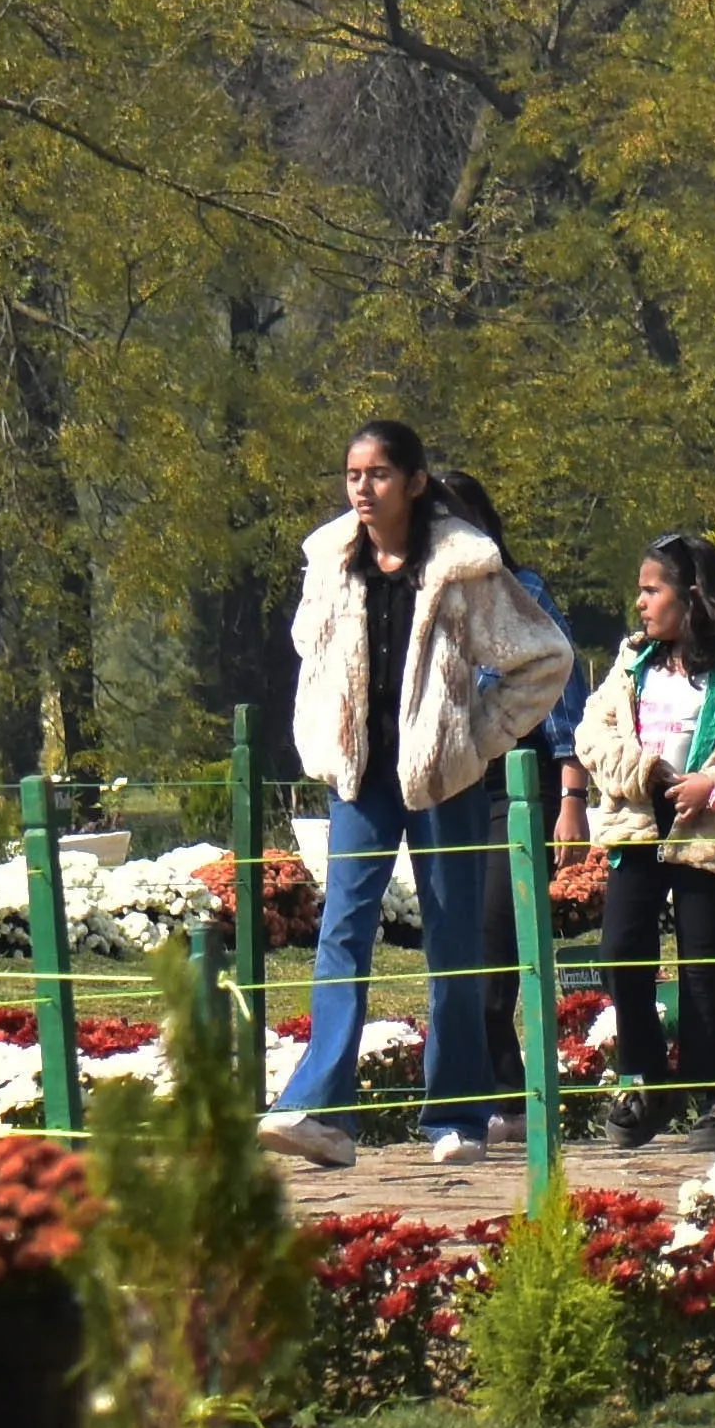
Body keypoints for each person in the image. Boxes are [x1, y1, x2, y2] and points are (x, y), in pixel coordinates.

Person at [281, 421, 575, 1162]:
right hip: (359, 777)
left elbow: (543, 659)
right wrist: (323, 733)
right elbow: (306, 649)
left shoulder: (464, 564)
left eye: (378, 473)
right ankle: (322, 1112)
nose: (362, 488)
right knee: (342, 935)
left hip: (443, 776)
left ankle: (458, 1117)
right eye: (352, 474)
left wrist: (476, 737)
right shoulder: (330, 560)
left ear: (414, 481)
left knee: (454, 941)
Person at [564, 530, 715, 1137]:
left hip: (708, 835)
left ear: (691, 596)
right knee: (620, 955)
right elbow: (591, 737)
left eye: (651, 590)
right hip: (638, 829)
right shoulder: (630, 665)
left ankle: (714, 1100)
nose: (640, 603)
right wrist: (641, 771)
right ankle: (643, 1082)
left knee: (706, 968)